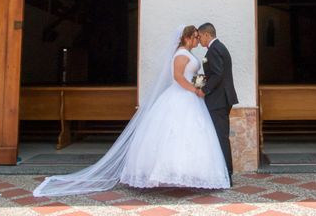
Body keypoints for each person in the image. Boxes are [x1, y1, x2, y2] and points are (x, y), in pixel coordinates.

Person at [33, 25, 230, 197]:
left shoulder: (189, 54)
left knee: (191, 136)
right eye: (195, 37)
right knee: (172, 134)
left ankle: (188, 174)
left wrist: (201, 85)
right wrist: (195, 89)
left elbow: (190, 75)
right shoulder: (180, 54)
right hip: (182, 96)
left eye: (198, 36)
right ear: (187, 38)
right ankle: (166, 173)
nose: (197, 40)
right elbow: (178, 77)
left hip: (190, 99)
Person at [197, 23, 238, 186]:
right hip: (221, 98)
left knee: (221, 137)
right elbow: (212, 73)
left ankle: (227, 175)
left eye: (200, 36)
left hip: (219, 100)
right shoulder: (216, 48)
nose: (199, 40)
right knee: (218, 136)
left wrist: (204, 90)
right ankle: (222, 172)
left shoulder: (214, 50)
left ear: (207, 35)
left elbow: (218, 74)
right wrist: (197, 83)